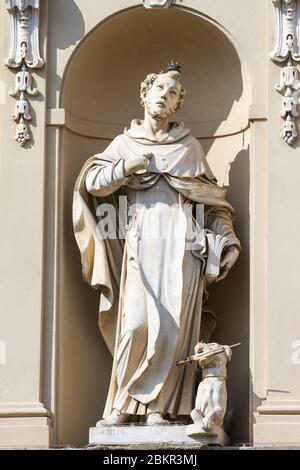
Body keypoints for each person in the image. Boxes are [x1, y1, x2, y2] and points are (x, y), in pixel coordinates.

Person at [72, 62, 240, 426]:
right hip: (140, 241)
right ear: (145, 93)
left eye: (172, 94)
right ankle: (120, 405)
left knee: (169, 328)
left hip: (181, 249)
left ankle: (157, 409)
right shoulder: (124, 144)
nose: (164, 96)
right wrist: (127, 166)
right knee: (134, 325)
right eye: (159, 89)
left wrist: (226, 240)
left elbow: (211, 203)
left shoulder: (189, 148)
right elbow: (94, 185)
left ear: (177, 105)